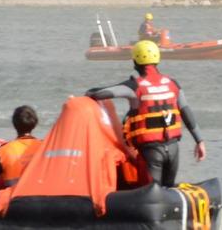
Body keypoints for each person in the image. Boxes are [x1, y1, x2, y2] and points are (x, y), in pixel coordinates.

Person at [87, 40, 206, 188]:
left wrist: (89, 93)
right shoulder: (173, 83)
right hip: (173, 149)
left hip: (151, 152)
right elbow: (186, 111)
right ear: (157, 59)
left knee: (152, 192)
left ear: (135, 61)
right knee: (167, 189)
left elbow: (102, 93)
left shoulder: (134, 86)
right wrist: (199, 141)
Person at [0, 105, 42, 191]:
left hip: (15, 200)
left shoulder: (3, 151)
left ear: (14, 124)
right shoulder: (46, 147)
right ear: (35, 124)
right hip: (42, 195)